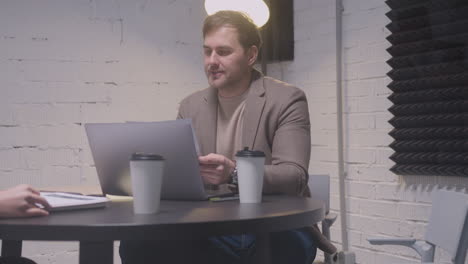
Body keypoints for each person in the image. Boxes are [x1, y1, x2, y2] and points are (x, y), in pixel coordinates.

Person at [120, 10, 336, 264]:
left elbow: (294, 175)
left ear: (251, 55)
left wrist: (234, 173)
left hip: (275, 224)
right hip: (212, 224)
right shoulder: (190, 106)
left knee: (271, 249)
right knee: (136, 243)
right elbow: (182, 174)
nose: (211, 61)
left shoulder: (286, 99)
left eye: (223, 52)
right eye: (207, 51)